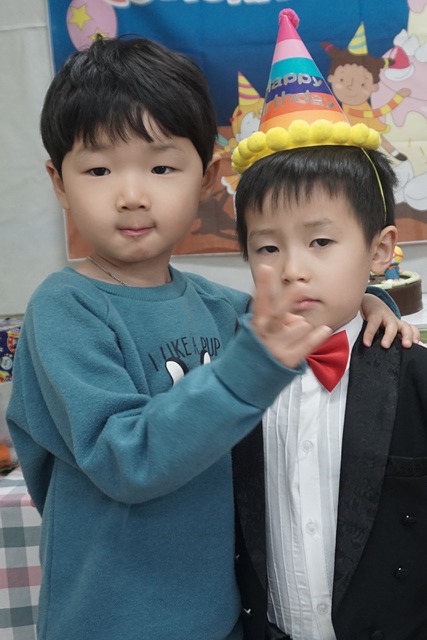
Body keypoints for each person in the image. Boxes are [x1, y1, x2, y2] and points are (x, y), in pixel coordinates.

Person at [6, 35, 415, 640]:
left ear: (207, 178)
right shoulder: (65, 309)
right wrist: (248, 369)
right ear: (59, 182)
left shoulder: (222, 307)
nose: (131, 196)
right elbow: (126, 460)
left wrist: (371, 303)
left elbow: (305, 313)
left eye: (161, 167)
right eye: (98, 169)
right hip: (108, 620)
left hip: (223, 616)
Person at [231, 9, 427, 640]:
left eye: (320, 241)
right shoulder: (224, 374)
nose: (293, 269)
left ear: (379, 249)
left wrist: (379, 300)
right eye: (267, 248)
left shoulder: (415, 371)